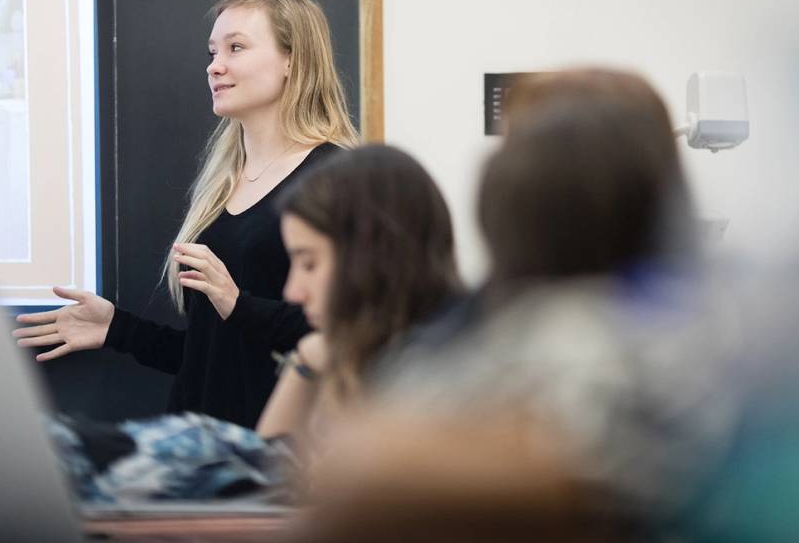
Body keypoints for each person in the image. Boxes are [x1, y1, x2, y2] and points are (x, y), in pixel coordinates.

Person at [290, 69, 725, 542]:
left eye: (309, 262)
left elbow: (361, 478)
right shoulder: (716, 348)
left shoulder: (578, 347)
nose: (296, 288)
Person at [14, 0, 359, 428]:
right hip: (199, 450)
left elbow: (349, 336)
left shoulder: (337, 179)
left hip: (275, 462)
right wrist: (117, 329)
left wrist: (240, 304)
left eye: (236, 48)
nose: (215, 66)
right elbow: (212, 357)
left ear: (293, 60)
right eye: (213, 51)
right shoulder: (223, 183)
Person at [256, 144, 465, 450]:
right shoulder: (351, 358)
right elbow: (263, 471)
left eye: (309, 264)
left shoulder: (442, 386)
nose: (292, 292)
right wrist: (305, 360)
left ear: (372, 256)